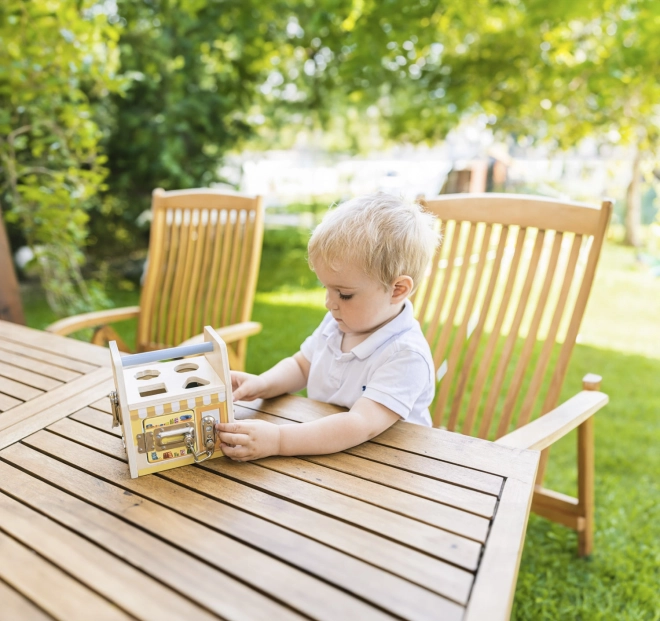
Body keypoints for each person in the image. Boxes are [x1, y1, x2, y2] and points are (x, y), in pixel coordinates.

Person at [216, 192, 440, 461]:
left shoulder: (405, 355)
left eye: (343, 294)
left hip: (387, 472)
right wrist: (263, 384)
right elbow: (301, 365)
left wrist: (279, 440)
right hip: (329, 457)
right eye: (326, 288)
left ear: (397, 290)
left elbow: (359, 424)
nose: (328, 303)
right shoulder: (340, 323)